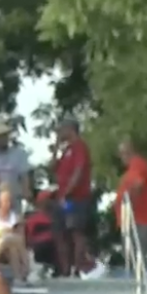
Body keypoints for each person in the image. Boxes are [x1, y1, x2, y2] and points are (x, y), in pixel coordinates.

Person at [51, 117, 94, 277]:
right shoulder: (66, 150)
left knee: (76, 232)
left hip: (76, 198)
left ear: (70, 129)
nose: (59, 133)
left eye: (62, 129)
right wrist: (56, 149)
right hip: (62, 198)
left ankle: (77, 268)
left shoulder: (80, 147)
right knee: (60, 233)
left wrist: (68, 191)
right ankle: (65, 270)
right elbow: (52, 168)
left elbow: (79, 171)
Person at [115, 138, 147, 267]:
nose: (121, 157)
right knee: (132, 256)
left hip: (137, 219)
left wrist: (129, 204)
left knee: (136, 256)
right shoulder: (133, 167)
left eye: (122, 153)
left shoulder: (137, 164)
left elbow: (139, 184)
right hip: (132, 220)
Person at [0, 120, 33, 212]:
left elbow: (24, 175)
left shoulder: (19, 153)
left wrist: (26, 190)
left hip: (14, 199)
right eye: (1, 136)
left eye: (6, 135)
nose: (5, 139)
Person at [0, 189, 30, 285]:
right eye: (5, 201)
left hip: (9, 247)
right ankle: (26, 267)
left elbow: (21, 238)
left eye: (9, 200)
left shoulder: (16, 217)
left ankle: (18, 278)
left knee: (13, 249)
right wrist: (4, 232)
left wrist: (8, 233)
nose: (8, 203)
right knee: (9, 238)